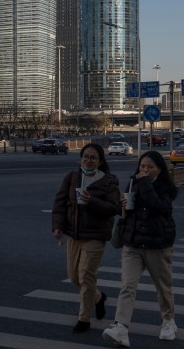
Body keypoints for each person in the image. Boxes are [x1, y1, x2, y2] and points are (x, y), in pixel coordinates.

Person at [102, 150, 178, 347]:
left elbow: (159, 207)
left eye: (150, 167)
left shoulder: (166, 188)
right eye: (142, 166)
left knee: (163, 287)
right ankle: (121, 328)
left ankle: (168, 321)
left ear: (159, 170)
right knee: (127, 286)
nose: (144, 170)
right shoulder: (132, 183)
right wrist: (124, 206)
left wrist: (144, 183)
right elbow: (126, 211)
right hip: (133, 243)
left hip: (156, 244)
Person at [52, 143, 121, 333]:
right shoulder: (72, 177)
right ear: (80, 158)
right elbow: (59, 204)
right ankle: (98, 298)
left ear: (100, 162)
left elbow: (113, 208)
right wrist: (58, 227)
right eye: (86, 157)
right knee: (74, 277)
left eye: (93, 158)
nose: (89, 160)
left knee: (86, 276)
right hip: (74, 235)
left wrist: (92, 202)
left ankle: (84, 319)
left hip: (95, 236)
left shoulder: (109, 181)